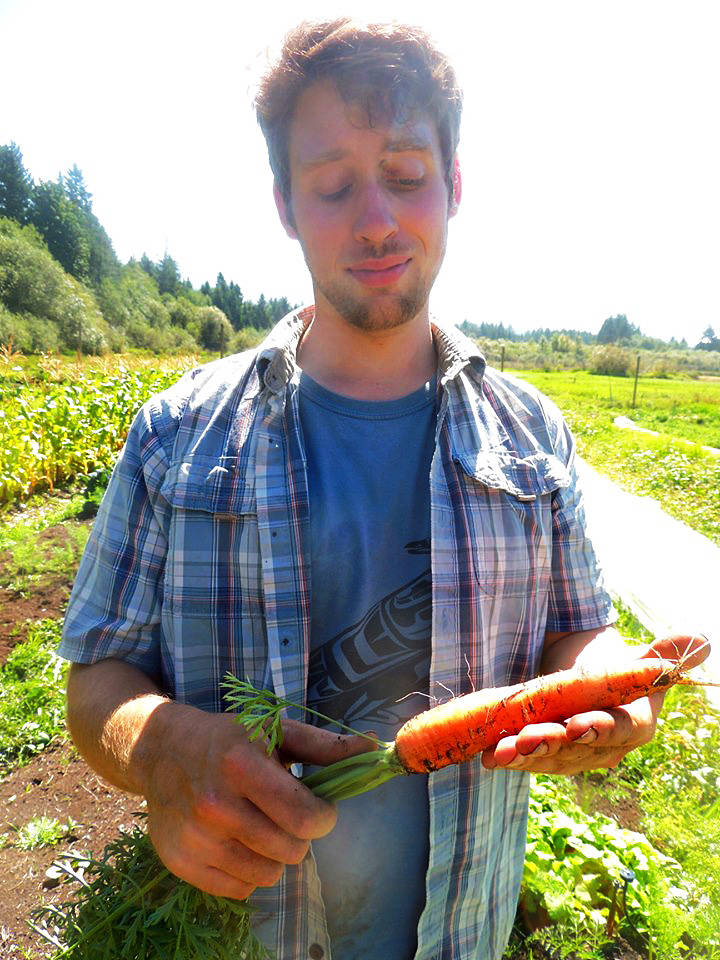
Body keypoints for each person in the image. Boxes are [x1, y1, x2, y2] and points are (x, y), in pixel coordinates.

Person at [59, 19, 705, 960]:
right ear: (284, 202)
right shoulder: (175, 434)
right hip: (239, 938)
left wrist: (614, 680)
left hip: (461, 933)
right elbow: (95, 680)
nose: (375, 220)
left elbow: (579, 624)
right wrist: (156, 746)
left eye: (405, 176)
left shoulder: (533, 434)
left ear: (454, 186)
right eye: (332, 185)